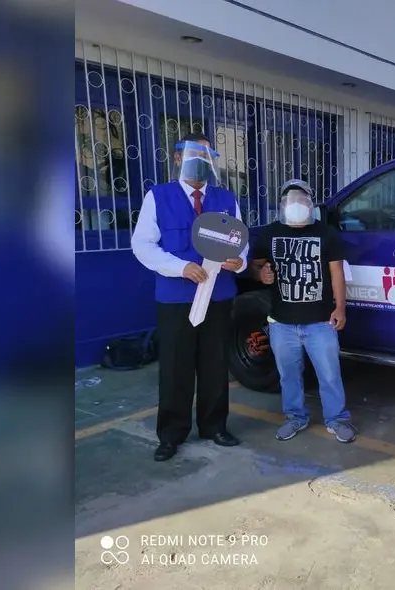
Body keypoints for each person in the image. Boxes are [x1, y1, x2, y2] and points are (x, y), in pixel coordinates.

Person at [132, 133, 247, 461]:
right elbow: (143, 245)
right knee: (175, 367)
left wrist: (239, 261)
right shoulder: (159, 196)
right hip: (176, 298)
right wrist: (180, 267)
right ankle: (171, 434)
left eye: (206, 155)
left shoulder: (225, 199)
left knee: (214, 365)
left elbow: (240, 242)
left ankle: (215, 426)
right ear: (178, 159)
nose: (200, 160)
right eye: (193, 154)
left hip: (219, 295)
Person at [250, 179, 356, 443]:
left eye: (302, 199)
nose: (296, 204)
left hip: (320, 322)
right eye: (291, 199)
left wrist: (340, 308)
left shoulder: (326, 233)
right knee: (288, 376)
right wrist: (260, 274)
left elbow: (337, 274)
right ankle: (295, 417)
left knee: (330, 375)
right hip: (281, 322)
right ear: (283, 204)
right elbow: (255, 266)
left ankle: (338, 419)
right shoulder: (269, 233)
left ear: (310, 203)